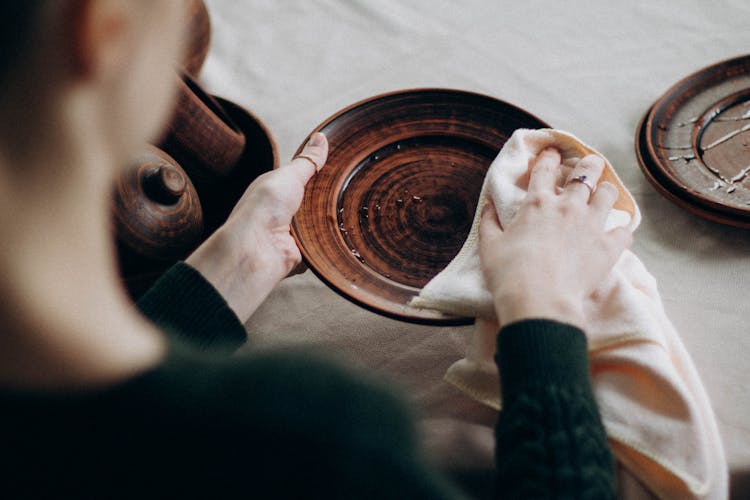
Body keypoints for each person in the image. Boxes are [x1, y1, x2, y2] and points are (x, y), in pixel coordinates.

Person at [0, 1, 631, 498]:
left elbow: (96, 437)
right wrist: (541, 300)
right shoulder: (302, 439)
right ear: (101, 27)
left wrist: (223, 277)